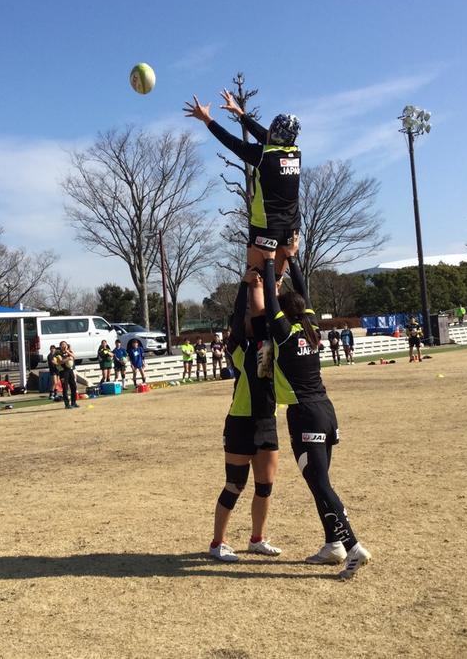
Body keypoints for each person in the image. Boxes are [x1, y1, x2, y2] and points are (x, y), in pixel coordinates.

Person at [261, 249, 371, 579]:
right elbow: (302, 295)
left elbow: (270, 300)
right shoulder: (311, 330)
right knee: (319, 483)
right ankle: (333, 544)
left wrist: (269, 261)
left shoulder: (285, 333)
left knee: (321, 485)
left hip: (305, 415)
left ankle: (352, 546)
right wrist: (292, 260)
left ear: (285, 313)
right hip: (326, 410)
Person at [184, 91, 301, 278]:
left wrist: (207, 119)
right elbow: (264, 135)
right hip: (291, 227)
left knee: (256, 279)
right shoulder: (295, 153)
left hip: (267, 226)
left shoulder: (263, 156)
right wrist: (239, 113)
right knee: (278, 279)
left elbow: (232, 142)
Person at [209, 268, 282, 562]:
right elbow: (242, 313)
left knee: (265, 486)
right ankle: (218, 543)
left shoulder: (271, 343)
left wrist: (272, 284)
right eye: (249, 317)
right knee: (235, 485)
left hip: (267, 421)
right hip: (240, 422)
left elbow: (271, 313)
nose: (254, 318)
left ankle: (257, 539)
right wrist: (244, 284)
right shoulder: (238, 346)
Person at [53, 341, 79, 408]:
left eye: (65, 344)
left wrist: (67, 352)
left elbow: (74, 357)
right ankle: (67, 404)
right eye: (62, 344)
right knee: (65, 388)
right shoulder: (58, 353)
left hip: (70, 370)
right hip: (63, 372)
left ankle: (73, 402)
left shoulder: (69, 351)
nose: (64, 346)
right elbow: (59, 362)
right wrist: (67, 359)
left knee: (74, 386)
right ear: (60, 346)